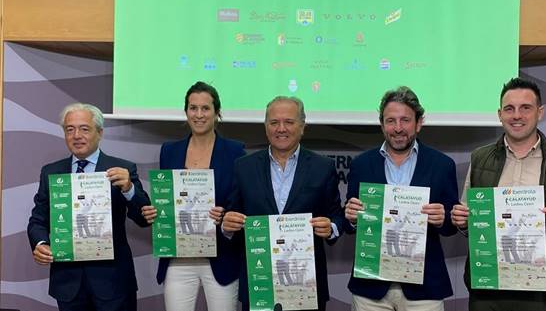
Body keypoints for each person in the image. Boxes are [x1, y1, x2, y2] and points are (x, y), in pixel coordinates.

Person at [451, 77, 546, 311]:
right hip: (488, 289)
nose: (517, 115)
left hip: (543, 293)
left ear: (540, 112)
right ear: (500, 114)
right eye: (509, 109)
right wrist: (462, 221)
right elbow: (469, 218)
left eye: (526, 108)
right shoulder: (479, 159)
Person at [222, 96, 344, 311]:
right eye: (274, 122)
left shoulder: (322, 167)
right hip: (259, 282)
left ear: (302, 126)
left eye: (289, 122)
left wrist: (331, 227)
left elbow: (337, 216)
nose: (281, 129)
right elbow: (233, 213)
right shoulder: (244, 167)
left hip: (307, 285)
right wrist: (226, 225)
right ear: (265, 126)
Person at [344, 86, 458, 311]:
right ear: (381, 124)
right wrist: (351, 217)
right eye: (390, 121)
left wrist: (443, 218)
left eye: (405, 120)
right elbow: (350, 222)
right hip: (370, 287)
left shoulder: (442, 165)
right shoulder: (361, 165)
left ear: (419, 123)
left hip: (425, 287)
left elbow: (450, 226)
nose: (398, 128)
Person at [27, 103, 150, 311]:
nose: (76, 135)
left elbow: (143, 217)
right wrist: (40, 243)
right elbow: (37, 220)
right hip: (68, 283)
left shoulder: (123, 169)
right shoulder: (51, 173)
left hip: (113, 282)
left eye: (84, 129)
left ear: (99, 132)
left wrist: (129, 188)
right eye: (70, 129)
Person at [140, 81, 246, 311]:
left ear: (217, 112)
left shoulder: (235, 151)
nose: (199, 114)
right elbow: (167, 198)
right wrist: (156, 211)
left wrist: (225, 215)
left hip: (221, 257)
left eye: (205, 108)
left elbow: (240, 201)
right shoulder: (169, 150)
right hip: (178, 257)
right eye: (193, 108)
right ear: (186, 111)